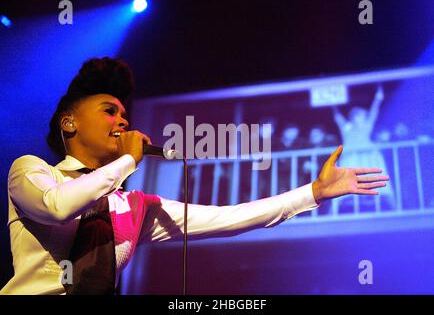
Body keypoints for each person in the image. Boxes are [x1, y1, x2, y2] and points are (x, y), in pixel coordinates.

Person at [1, 57, 389, 295]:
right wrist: (127, 163)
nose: (122, 120)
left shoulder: (134, 207)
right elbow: (57, 207)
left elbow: (230, 218)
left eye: (124, 113)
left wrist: (314, 193)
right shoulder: (31, 170)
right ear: (69, 123)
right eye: (109, 110)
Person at [332, 85, 395, 212]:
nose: (361, 117)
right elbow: (337, 118)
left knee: (378, 181)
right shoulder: (347, 127)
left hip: (368, 155)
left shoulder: (367, 124)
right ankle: (333, 211)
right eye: (358, 115)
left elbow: (374, 112)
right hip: (351, 156)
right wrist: (332, 104)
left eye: (362, 115)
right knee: (346, 183)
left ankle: (394, 206)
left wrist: (378, 98)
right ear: (353, 117)